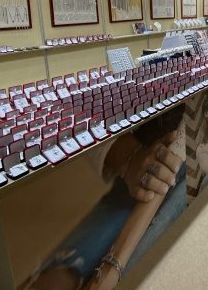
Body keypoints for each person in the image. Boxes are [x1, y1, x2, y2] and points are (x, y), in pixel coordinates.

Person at [25, 107, 187, 289]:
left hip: (183, 164)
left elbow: (180, 147)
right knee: (53, 281)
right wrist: (129, 157)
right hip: (142, 161)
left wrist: (112, 268)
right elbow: (67, 110)